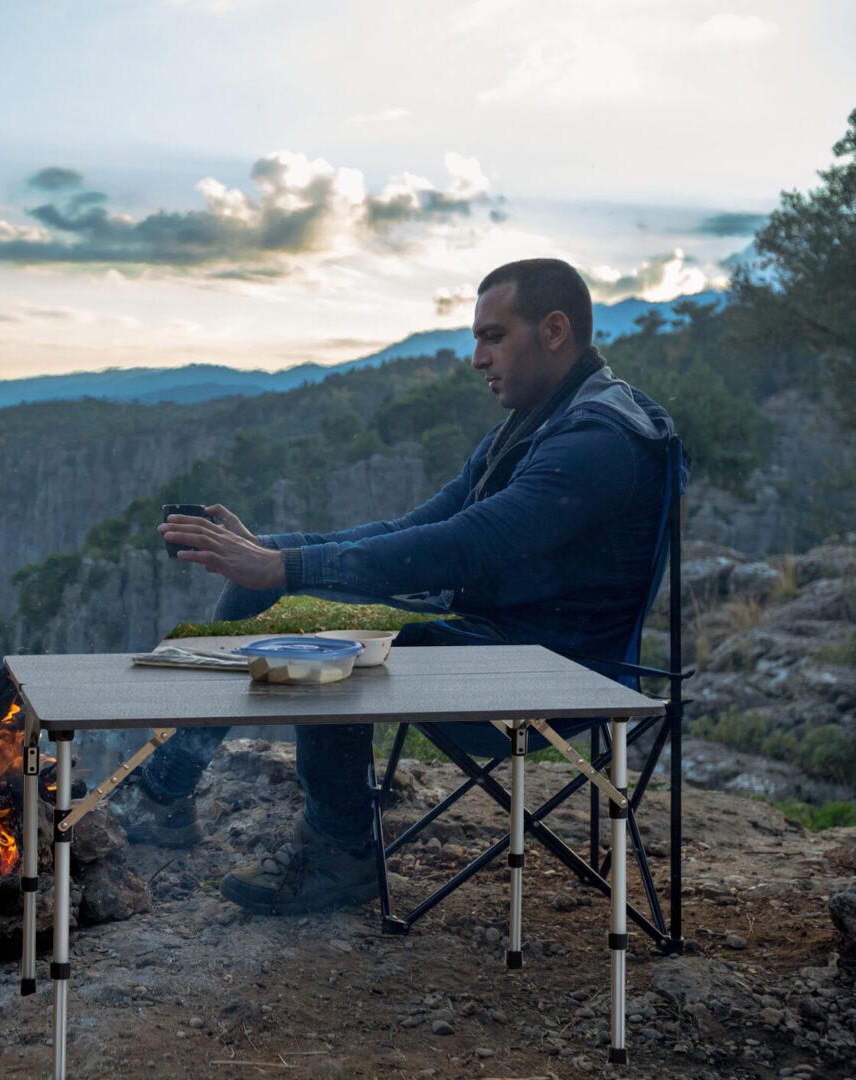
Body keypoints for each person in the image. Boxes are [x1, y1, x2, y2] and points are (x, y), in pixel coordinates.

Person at [116, 257, 678, 916]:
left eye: (492, 336)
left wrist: (289, 571)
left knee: (319, 633)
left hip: (552, 676)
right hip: (493, 645)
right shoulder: (532, 427)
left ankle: (338, 849)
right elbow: (415, 527)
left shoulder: (598, 441)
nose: (476, 358)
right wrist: (272, 553)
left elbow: (467, 548)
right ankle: (165, 792)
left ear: (553, 330)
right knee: (274, 578)